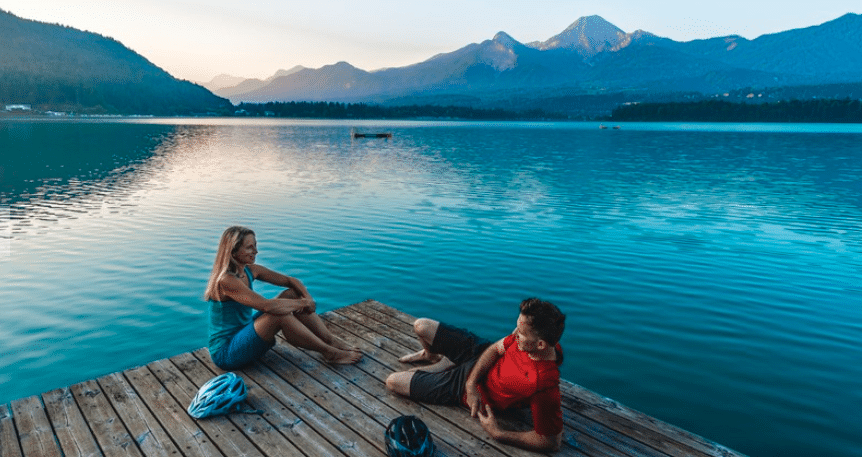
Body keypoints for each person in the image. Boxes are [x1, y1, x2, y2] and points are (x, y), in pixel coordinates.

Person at [386, 298, 565, 453]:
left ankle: (448, 366)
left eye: (521, 333)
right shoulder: (535, 340)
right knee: (421, 325)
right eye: (517, 326)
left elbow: (551, 442)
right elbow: (496, 348)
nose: (515, 334)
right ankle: (433, 357)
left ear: (541, 344)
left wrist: (498, 434)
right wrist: (472, 383)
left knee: (393, 381)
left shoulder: (542, 385)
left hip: (460, 388)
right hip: (478, 353)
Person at [204, 226, 361, 370]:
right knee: (277, 315)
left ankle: (329, 340)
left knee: (292, 293)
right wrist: (303, 303)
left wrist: (306, 297)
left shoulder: (250, 270)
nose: (256, 251)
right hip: (226, 352)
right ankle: (329, 352)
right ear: (233, 252)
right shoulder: (226, 280)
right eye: (249, 247)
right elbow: (266, 306)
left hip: (245, 333)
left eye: (255, 245)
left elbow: (291, 281)